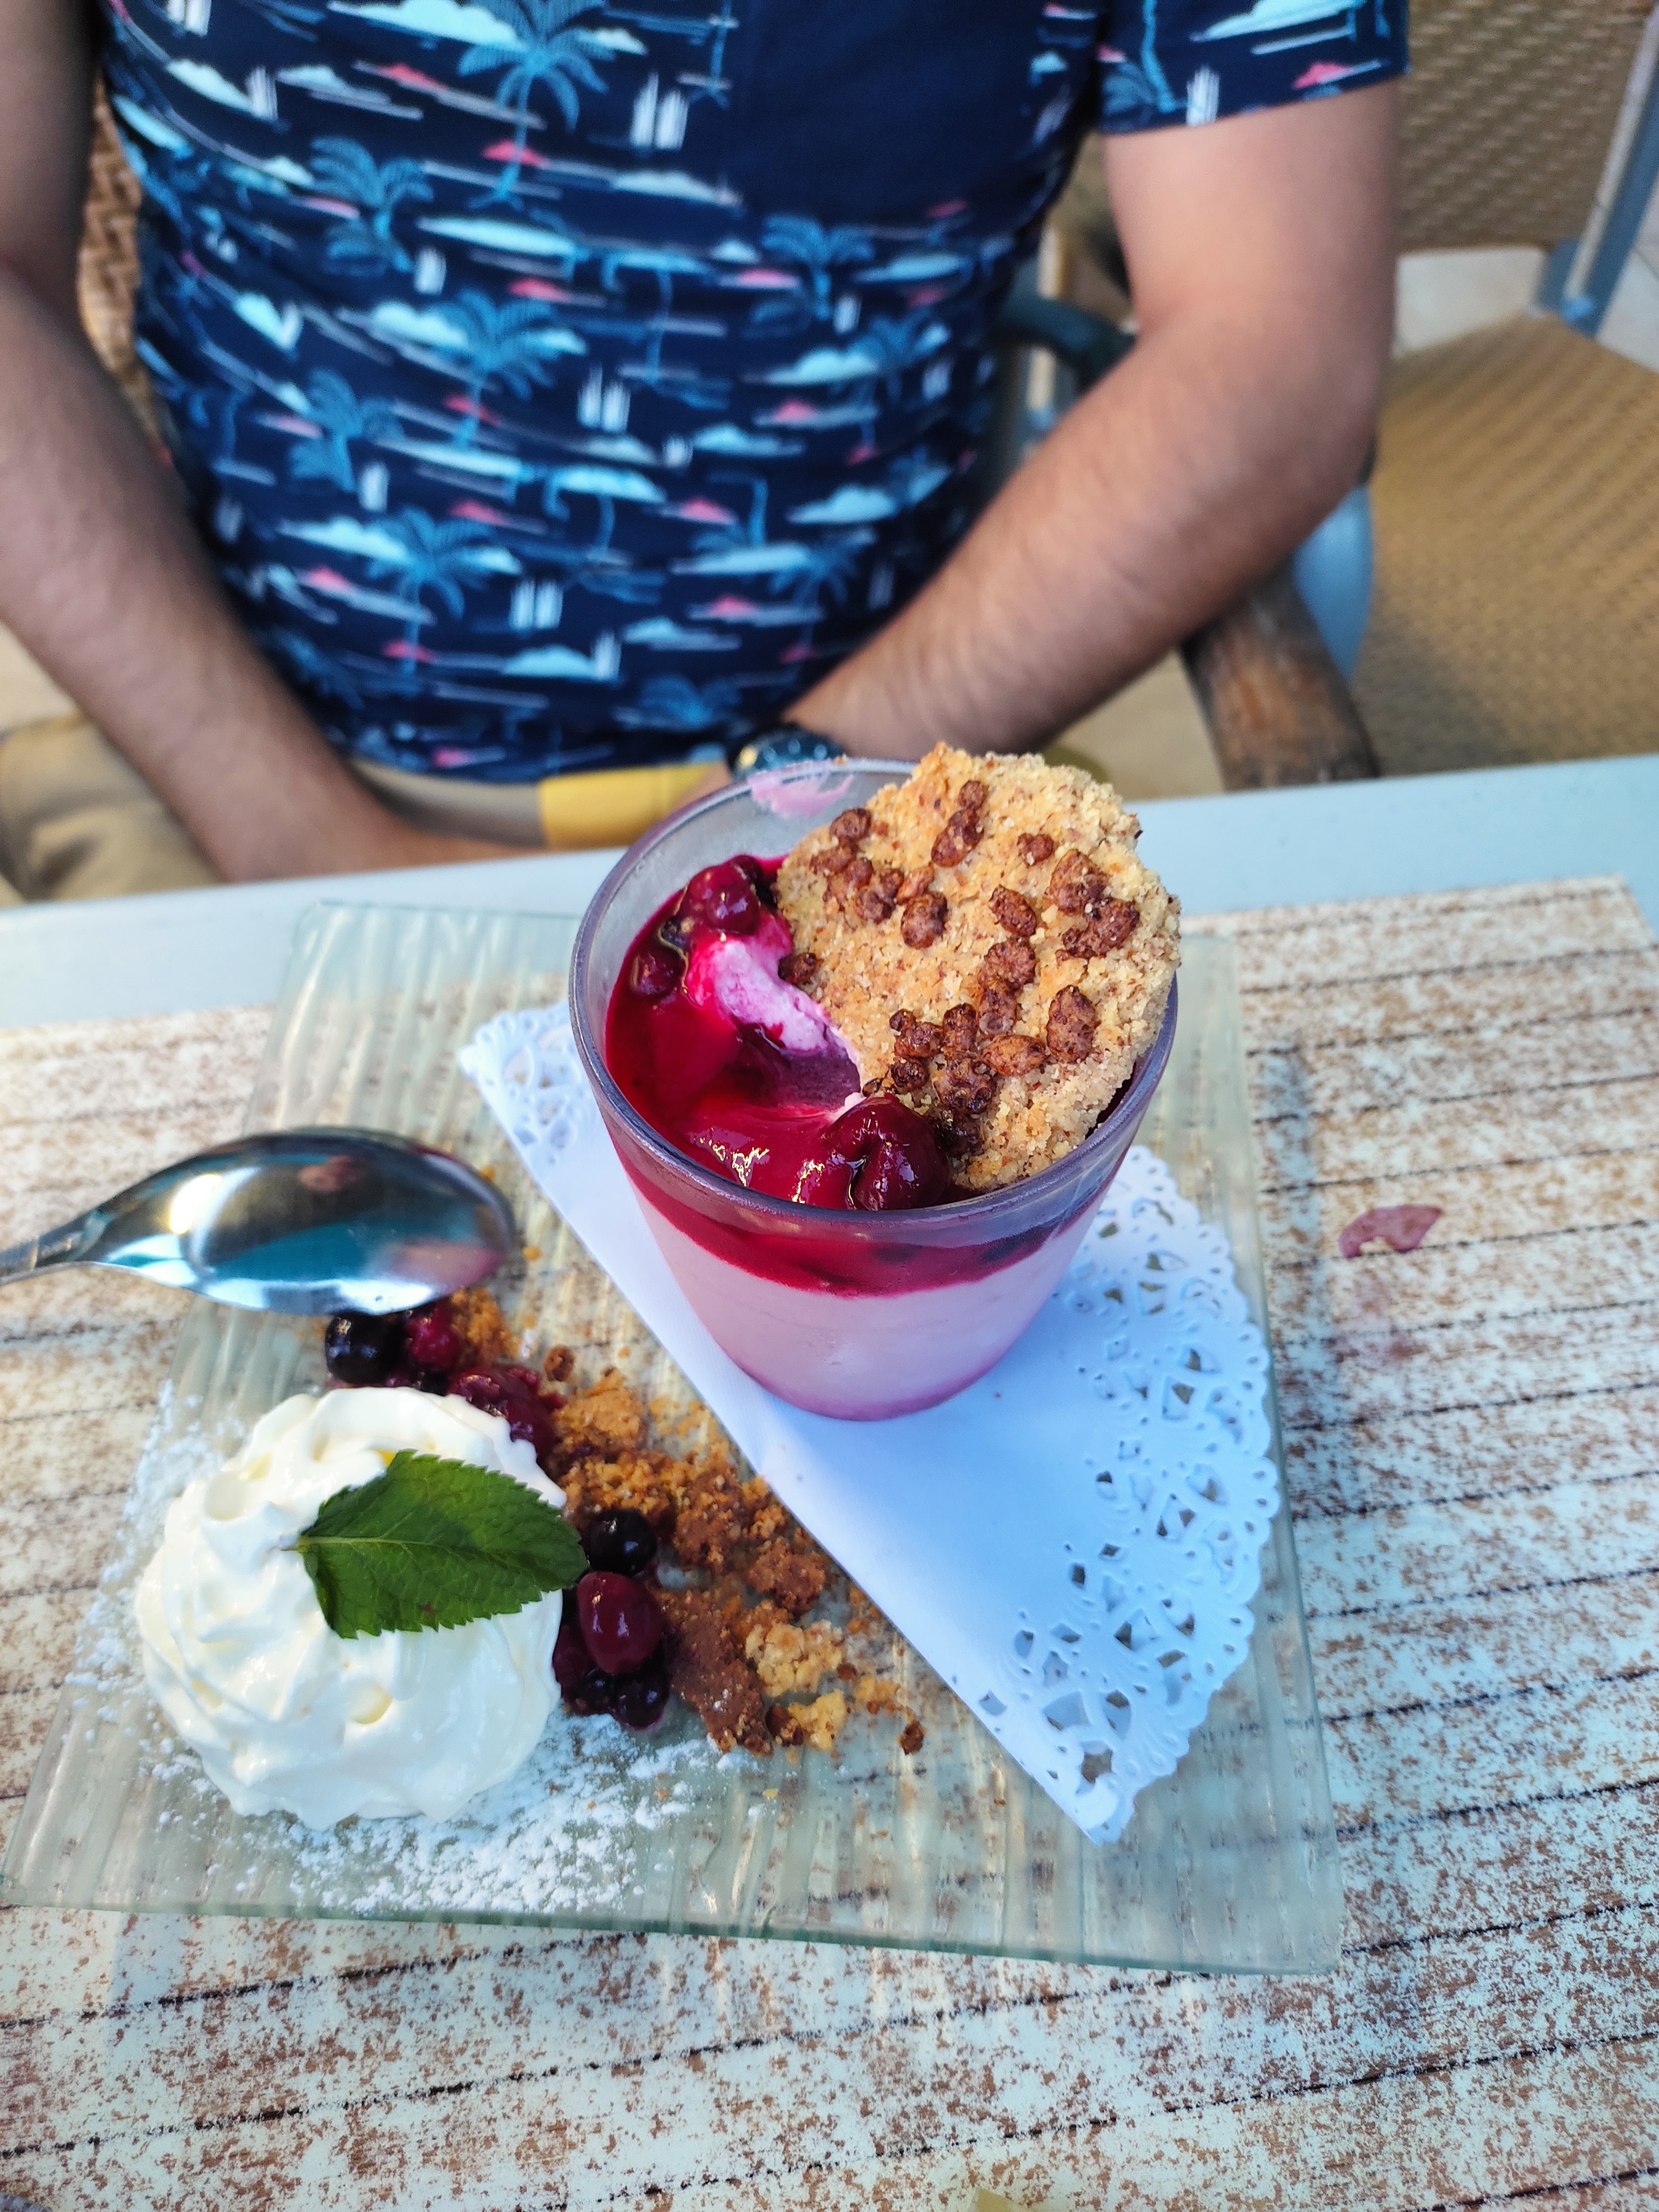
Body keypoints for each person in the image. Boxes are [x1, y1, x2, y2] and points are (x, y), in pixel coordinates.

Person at [0, 0, 1403, 899]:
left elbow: (1276, 349)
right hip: (226, 772)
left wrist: (786, 808)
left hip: (886, 791)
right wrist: (295, 837)